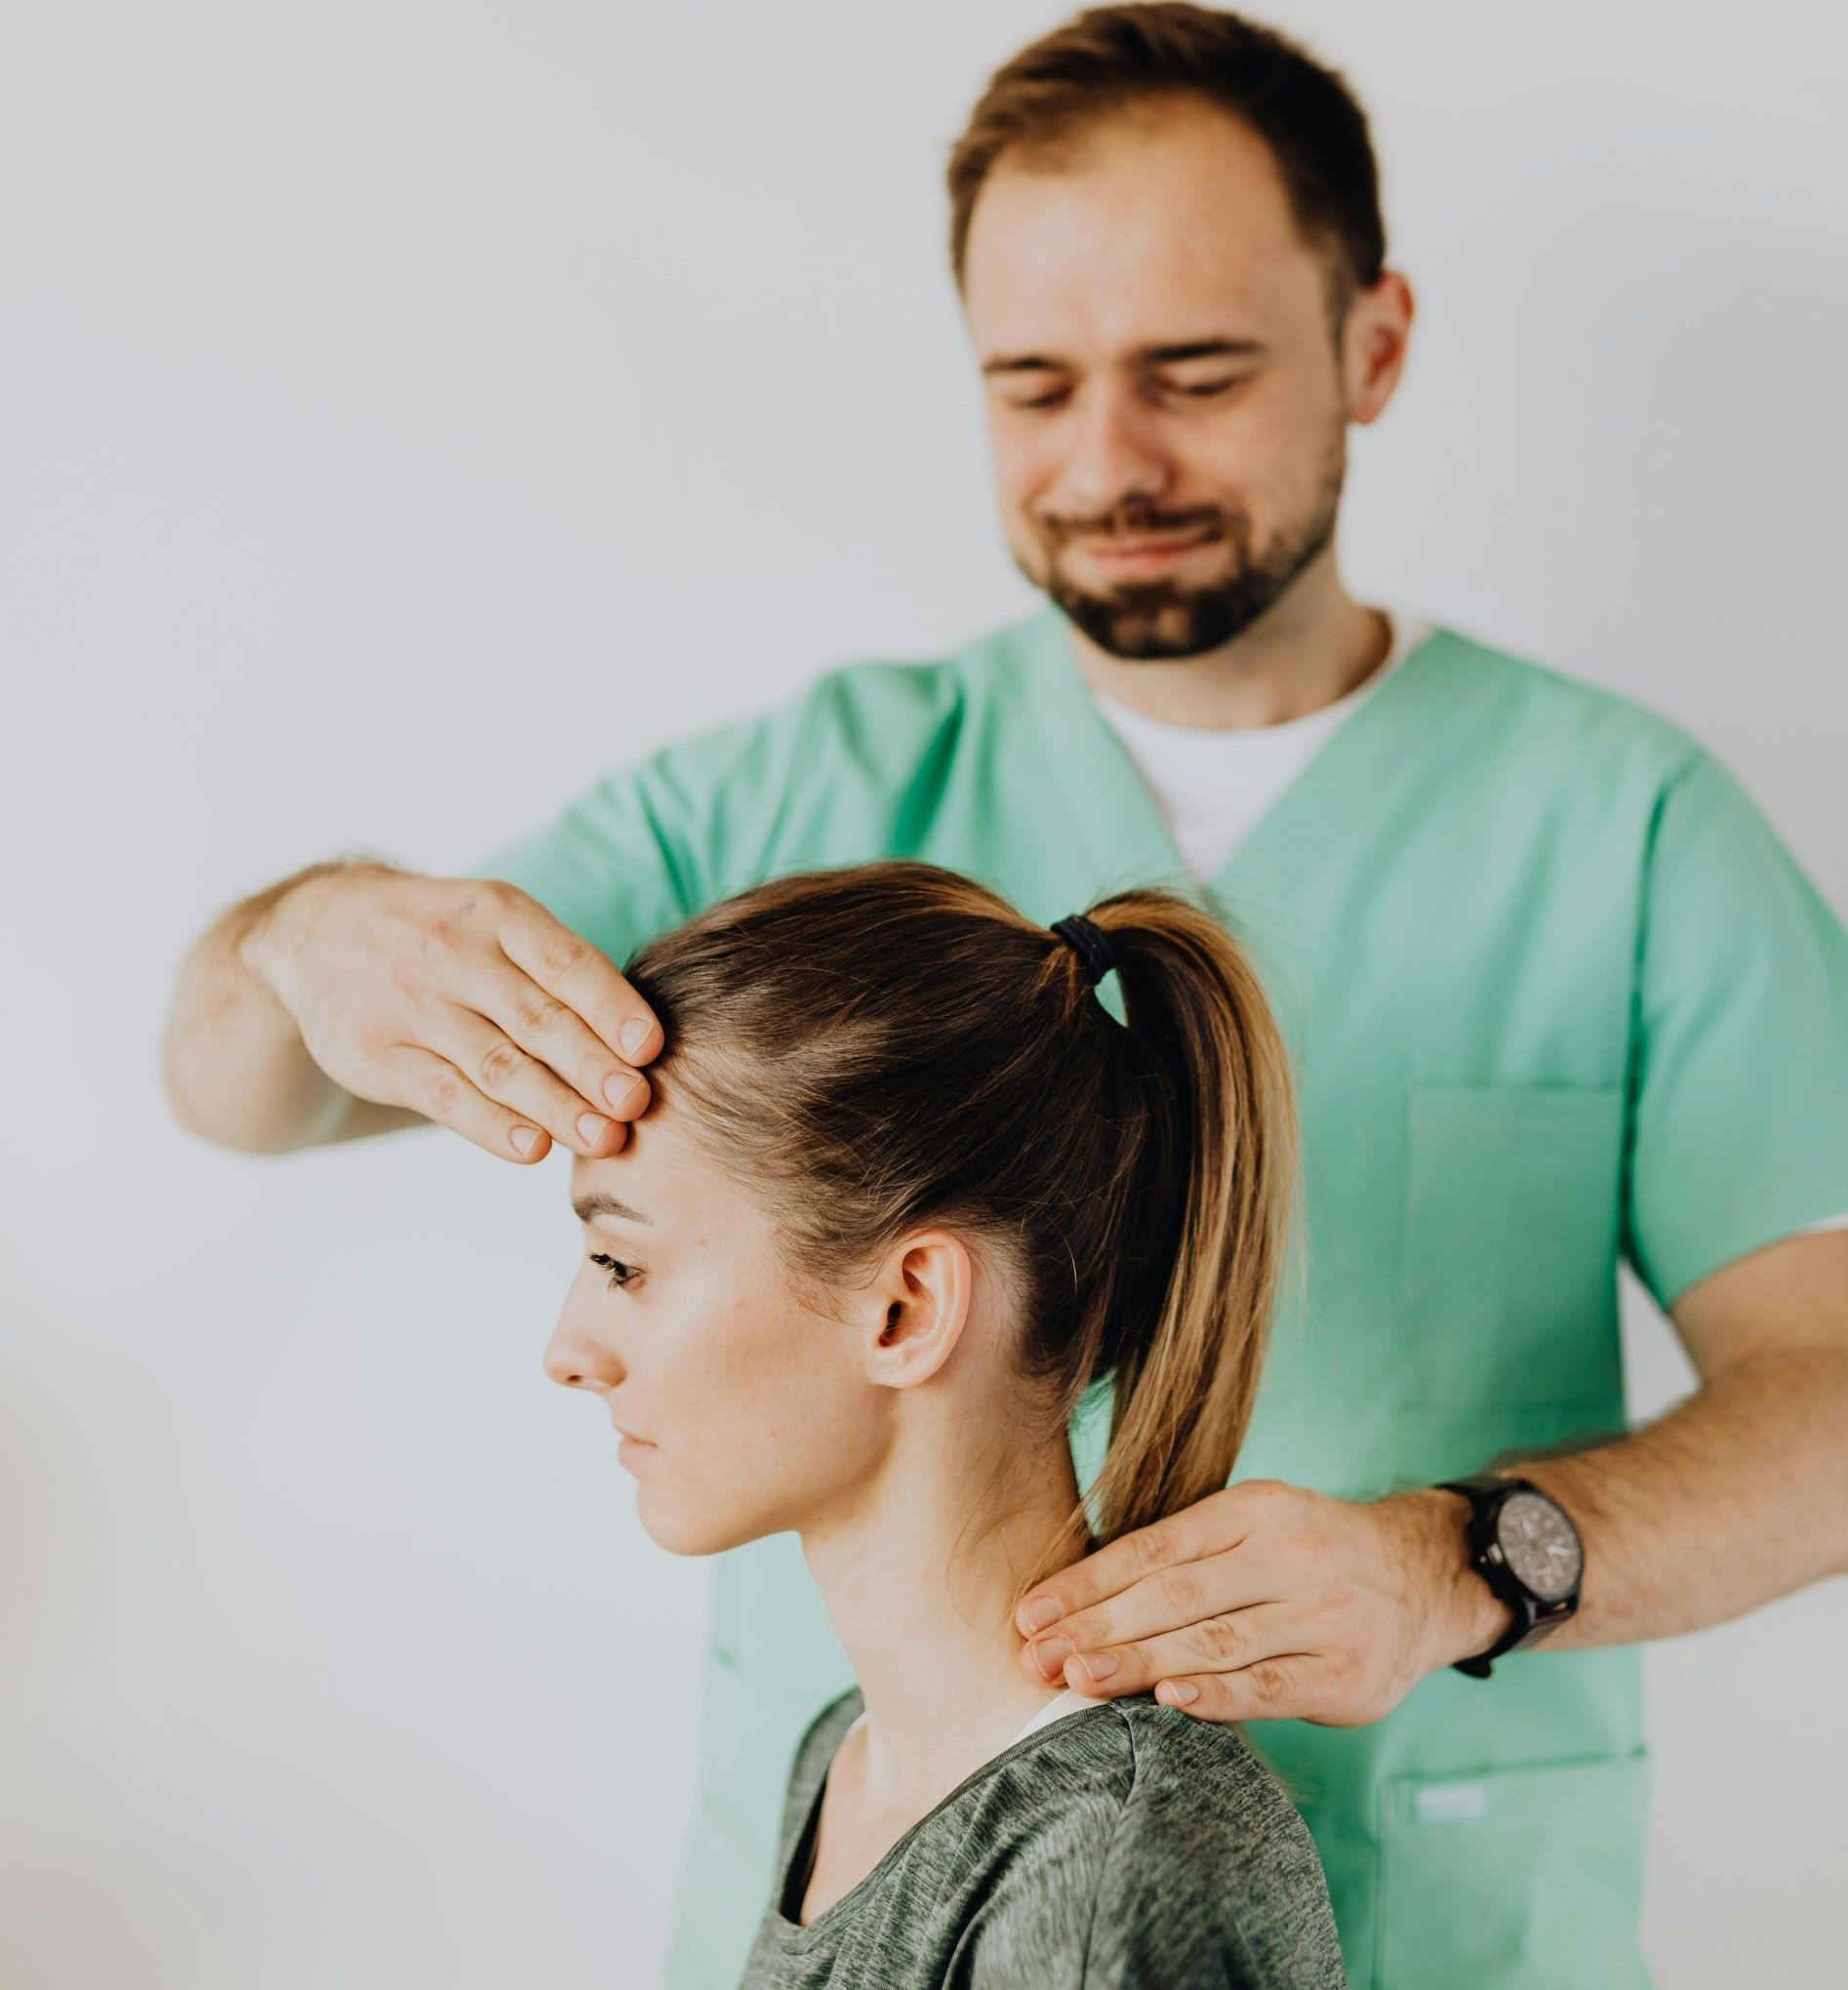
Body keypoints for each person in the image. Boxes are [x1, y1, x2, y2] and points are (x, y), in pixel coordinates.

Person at [159, 6, 1848, 1986]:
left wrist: (1462, 1558)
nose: (1105, 460)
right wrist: (303, 933)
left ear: (1370, 344)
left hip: (1432, 1917)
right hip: (882, 1884)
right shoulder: (799, 798)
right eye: (1030, 384)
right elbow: (245, 1089)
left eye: (1192, 374)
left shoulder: (1617, 828)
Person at [543, 858, 1345, 1986]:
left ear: (905, 1306)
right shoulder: (850, 1757)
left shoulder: (1099, 1874)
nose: (566, 1351)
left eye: (623, 1262)